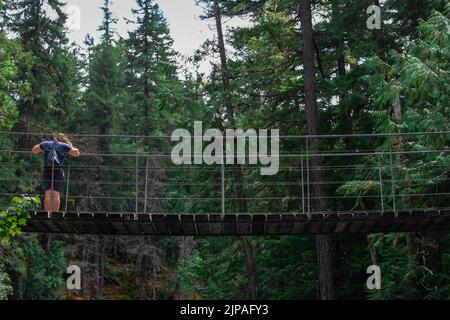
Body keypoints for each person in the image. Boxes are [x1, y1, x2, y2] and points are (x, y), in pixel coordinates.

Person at [32, 133, 80, 212]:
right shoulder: (63, 145)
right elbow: (77, 153)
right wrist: (70, 146)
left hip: (47, 170)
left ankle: (47, 214)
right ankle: (54, 215)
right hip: (58, 171)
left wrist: (43, 147)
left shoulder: (46, 144)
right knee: (55, 194)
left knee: (47, 194)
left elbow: (34, 150)